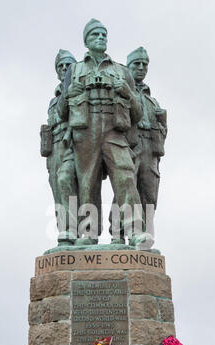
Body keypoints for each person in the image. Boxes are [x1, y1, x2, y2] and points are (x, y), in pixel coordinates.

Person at [57, 19, 151, 248]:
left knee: (126, 177)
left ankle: (136, 232)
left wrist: (127, 92)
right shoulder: (74, 70)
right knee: (87, 184)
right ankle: (87, 233)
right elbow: (61, 112)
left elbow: (137, 115)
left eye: (103, 35)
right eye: (95, 35)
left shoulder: (122, 71)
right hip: (85, 133)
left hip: (114, 132)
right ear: (86, 41)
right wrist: (69, 94)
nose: (100, 38)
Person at [40, 49, 78, 246]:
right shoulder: (53, 100)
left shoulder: (78, 91)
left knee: (66, 182)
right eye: (61, 66)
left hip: (71, 144)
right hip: (53, 148)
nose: (64, 69)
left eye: (68, 65)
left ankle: (75, 230)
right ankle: (64, 231)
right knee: (57, 190)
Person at [127, 47, 167, 221]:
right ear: (128, 67)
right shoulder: (123, 94)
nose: (142, 68)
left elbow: (163, 133)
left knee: (150, 195)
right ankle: (119, 234)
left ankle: (147, 232)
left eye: (145, 64)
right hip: (130, 147)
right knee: (126, 191)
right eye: (137, 63)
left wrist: (163, 122)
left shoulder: (153, 102)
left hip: (150, 151)